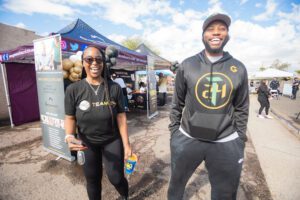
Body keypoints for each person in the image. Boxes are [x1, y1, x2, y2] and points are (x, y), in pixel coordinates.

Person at [168, 13, 249, 200]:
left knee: (225, 194)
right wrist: (175, 133)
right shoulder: (188, 65)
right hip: (188, 138)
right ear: (203, 34)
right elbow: (177, 102)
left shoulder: (238, 67)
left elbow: (242, 106)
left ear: (227, 35)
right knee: (176, 187)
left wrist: (240, 138)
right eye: (211, 29)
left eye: (222, 29)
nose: (216, 33)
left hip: (225, 142)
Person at [64, 46, 131, 200]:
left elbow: (121, 117)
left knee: (116, 177)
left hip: (111, 140)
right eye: (89, 59)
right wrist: (68, 136)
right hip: (86, 142)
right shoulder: (73, 89)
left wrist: (127, 145)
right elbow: (70, 117)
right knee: (92, 180)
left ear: (103, 63)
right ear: (83, 63)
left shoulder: (114, 88)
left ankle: (125, 195)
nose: (94, 63)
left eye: (98, 59)